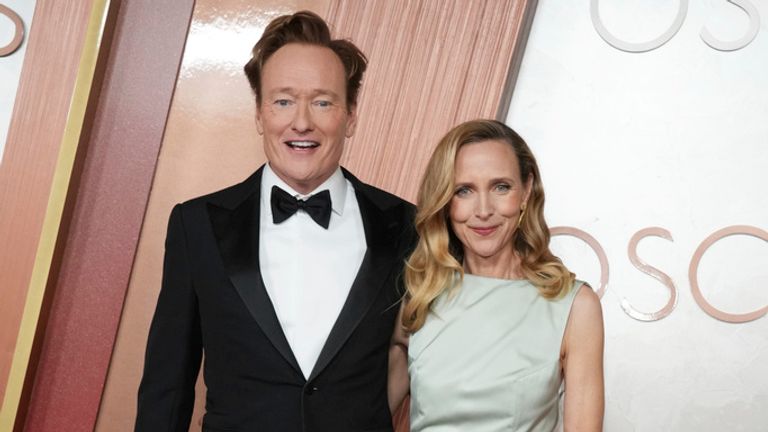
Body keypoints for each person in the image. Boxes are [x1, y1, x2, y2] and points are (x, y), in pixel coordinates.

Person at [136, 11, 415, 432]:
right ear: (259, 113)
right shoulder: (197, 226)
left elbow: (422, 361)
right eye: (283, 101)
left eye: (322, 102)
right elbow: (167, 386)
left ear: (351, 115)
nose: (301, 122)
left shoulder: (405, 225)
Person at [388, 120, 604, 431]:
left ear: (526, 190)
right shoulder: (420, 294)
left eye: (501, 186)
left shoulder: (573, 306)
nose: (484, 210)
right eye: (464, 190)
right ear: (446, 202)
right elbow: (362, 417)